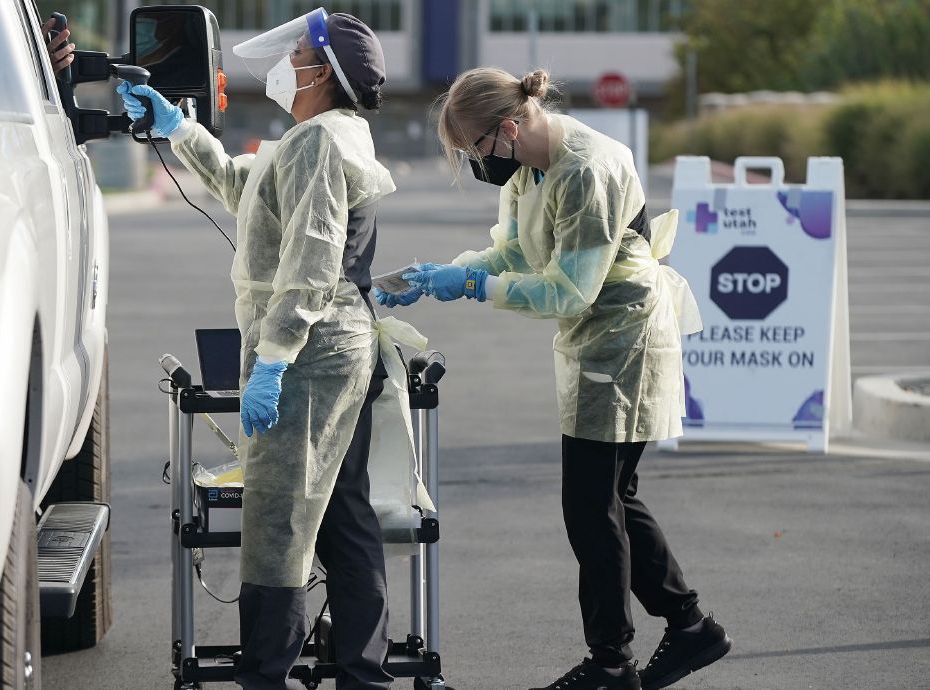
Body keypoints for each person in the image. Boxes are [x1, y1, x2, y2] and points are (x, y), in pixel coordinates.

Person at [375, 67, 730, 690]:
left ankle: (611, 661)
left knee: (591, 504)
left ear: (508, 127)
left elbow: (569, 289)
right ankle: (689, 626)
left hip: (624, 340)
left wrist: (477, 287)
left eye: (475, 151)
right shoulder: (527, 166)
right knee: (612, 497)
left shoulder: (588, 169)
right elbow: (515, 251)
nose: (478, 165)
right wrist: (448, 273)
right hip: (594, 339)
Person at [117, 10, 401, 690]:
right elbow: (245, 191)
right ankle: (363, 673)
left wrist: (274, 359)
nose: (289, 60)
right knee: (341, 509)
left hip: (309, 351)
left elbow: (311, 261)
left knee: (278, 516)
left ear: (322, 74)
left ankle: (267, 674)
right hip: (335, 345)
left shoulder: (318, 144)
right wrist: (179, 128)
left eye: (301, 51)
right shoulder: (325, 137)